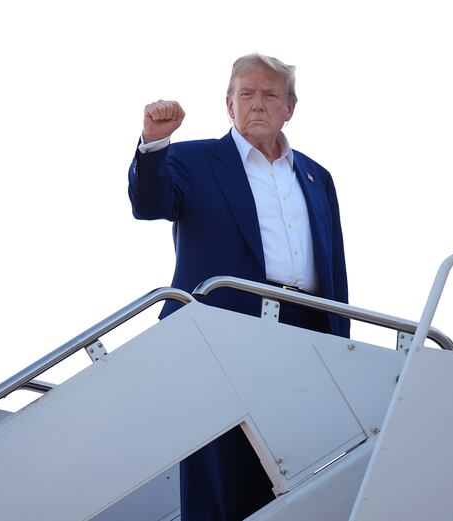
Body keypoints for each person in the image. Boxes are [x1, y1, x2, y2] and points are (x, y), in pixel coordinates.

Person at [128, 54, 349, 520]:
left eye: (270, 95)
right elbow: (148, 204)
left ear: (289, 108)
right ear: (229, 105)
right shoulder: (191, 159)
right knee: (217, 478)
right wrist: (154, 142)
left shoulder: (317, 176)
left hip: (304, 334)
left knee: (293, 474)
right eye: (246, 94)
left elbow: (334, 269)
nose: (257, 104)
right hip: (220, 331)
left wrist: (342, 349)